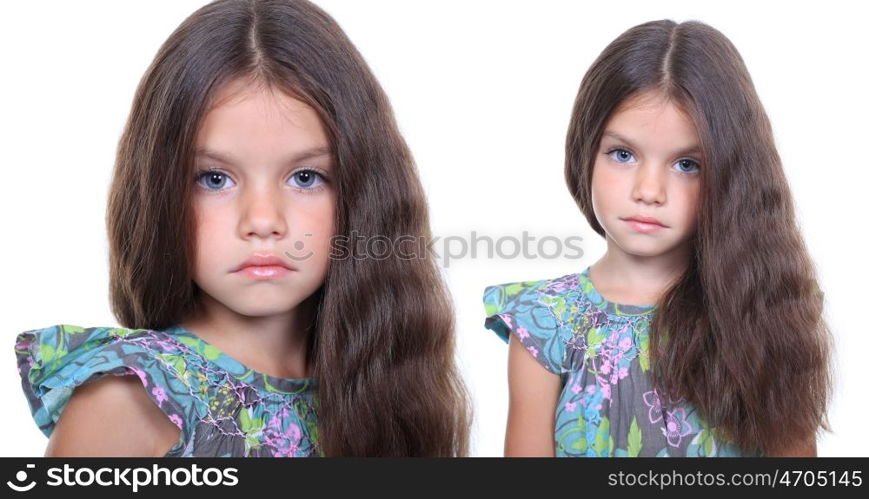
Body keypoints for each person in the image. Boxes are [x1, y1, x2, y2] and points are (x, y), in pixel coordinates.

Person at [15, 0, 469, 457]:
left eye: (305, 177)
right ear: (157, 190)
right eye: (215, 179)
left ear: (362, 192)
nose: (263, 221)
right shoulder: (128, 402)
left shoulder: (389, 392)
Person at [483, 19, 831, 457]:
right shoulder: (543, 322)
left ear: (731, 175)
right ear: (584, 150)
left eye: (687, 164)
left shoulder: (769, 308)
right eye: (623, 155)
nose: (649, 191)